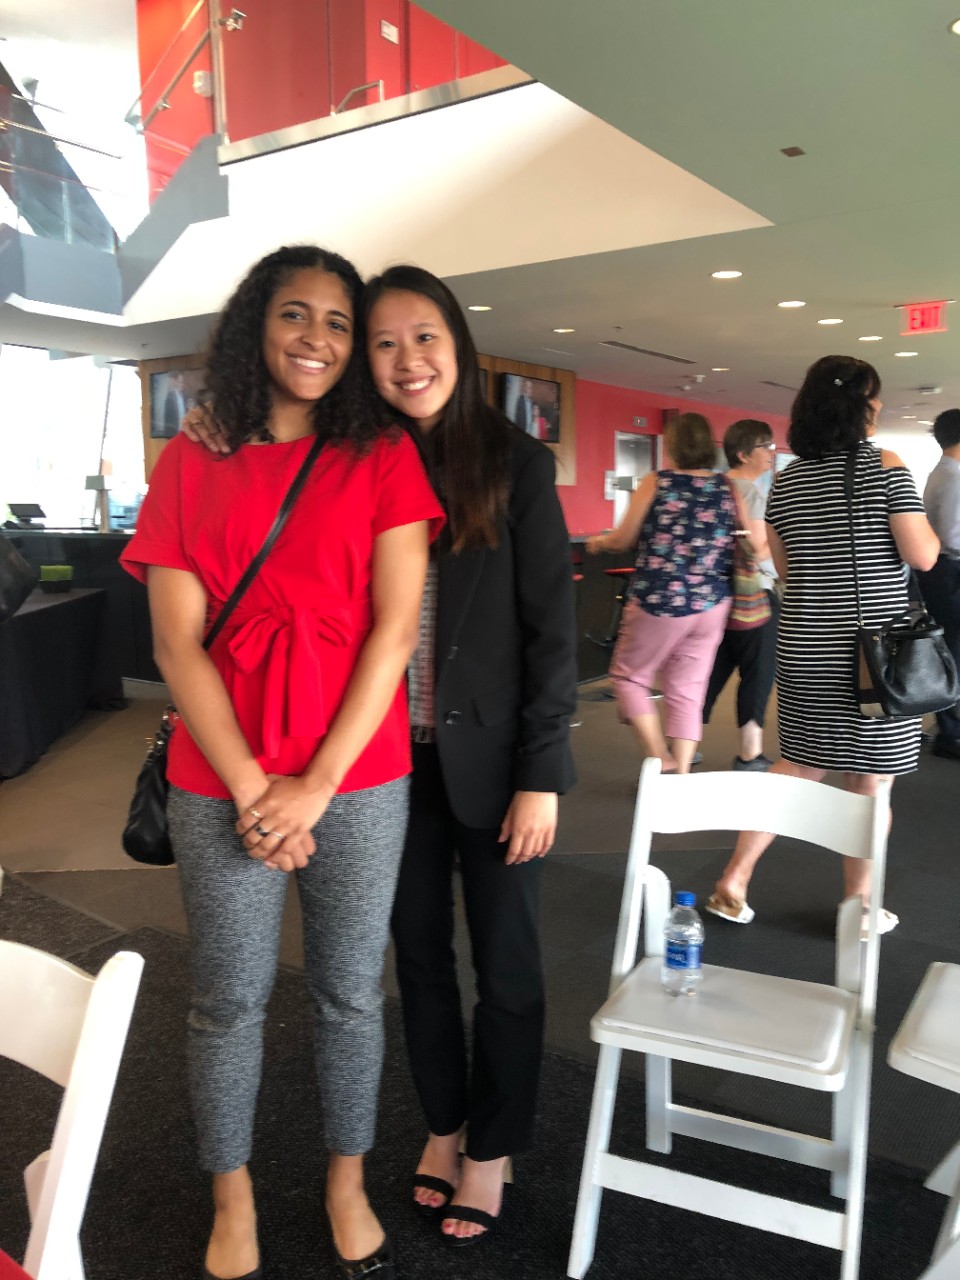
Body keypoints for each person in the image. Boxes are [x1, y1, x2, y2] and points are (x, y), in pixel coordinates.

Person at [121, 245, 444, 1280]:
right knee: (228, 995)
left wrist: (313, 785)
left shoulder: (385, 453)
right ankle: (233, 1194)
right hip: (222, 777)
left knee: (352, 991)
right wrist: (262, 790)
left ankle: (345, 1179)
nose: (318, 337)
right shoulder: (191, 458)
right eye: (296, 314)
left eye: (339, 322)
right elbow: (178, 643)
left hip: (359, 773)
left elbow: (395, 632)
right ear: (259, 325)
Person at [361, 265, 578, 1246]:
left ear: (459, 343)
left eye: (425, 336)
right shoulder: (353, 461)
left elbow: (552, 634)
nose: (407, 359)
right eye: (385, 342)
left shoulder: (516, 465)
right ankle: (444, 1128)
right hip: (386, 769)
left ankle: (491, 1148)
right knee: (417, 956)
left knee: (509, 966)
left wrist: (543, 772)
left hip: (494, 767)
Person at [706, 355, 939, 931]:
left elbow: (786, 571)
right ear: (860, 405)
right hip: (873, 655)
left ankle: (734, 879)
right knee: (871, 779)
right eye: (875, 396)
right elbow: (924, 554)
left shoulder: (787, 480)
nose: (880, 405)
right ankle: (858, 906)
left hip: (807, 645)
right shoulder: (886, 465)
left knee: (800, 764)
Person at [587, 412, 745, 774]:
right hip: (711, 602)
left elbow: (624, 538)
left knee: (629, 677)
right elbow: (745, 539)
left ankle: (661, 759)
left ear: (673, 445)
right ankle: (683, 771)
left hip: (660, 600)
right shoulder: (726, 487)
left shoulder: (658, 482)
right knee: (688, 687)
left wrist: (599, 543)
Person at [701, 418, 779, 770]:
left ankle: (681, 740)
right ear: (744, 454)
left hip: (717, 595)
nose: (772, 454)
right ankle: (750, 753)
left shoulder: (714, 488)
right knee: (758, 671)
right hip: (754, 595)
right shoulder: (749, 492)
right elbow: (760, 549)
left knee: (712, 669)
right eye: (766, 447)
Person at [917, 407, 960, 760]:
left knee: (949, 647)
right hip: (949, 572)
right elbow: (952, 537)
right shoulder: (953, 477)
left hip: (941, 573)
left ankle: (948, 725)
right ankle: (950, 730)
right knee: (952, 650)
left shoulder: (943, 472)